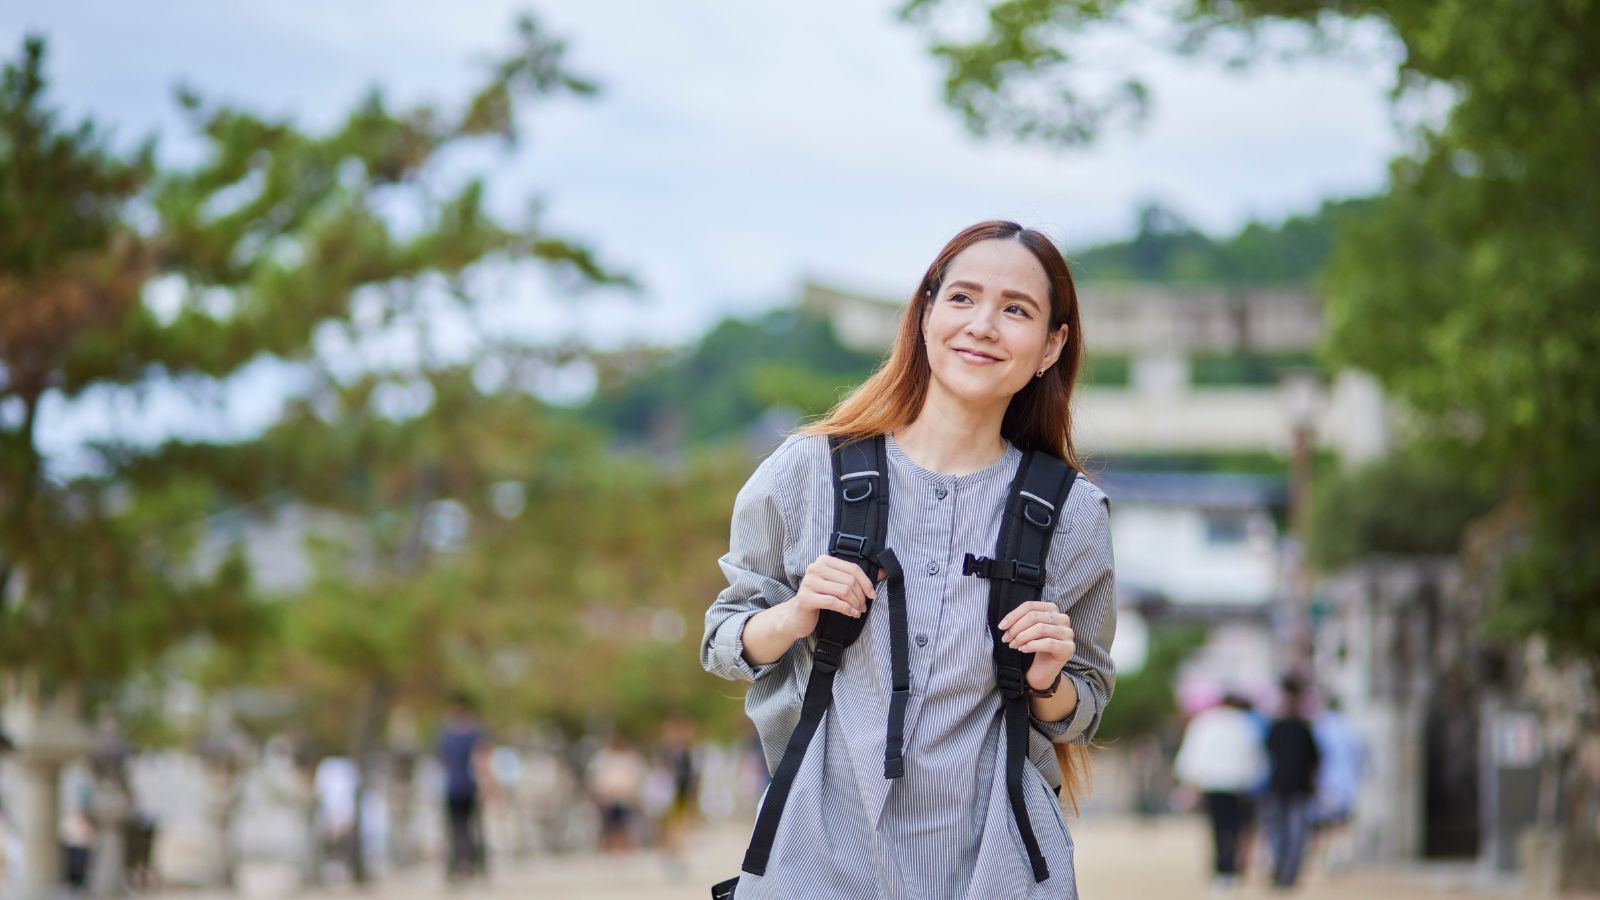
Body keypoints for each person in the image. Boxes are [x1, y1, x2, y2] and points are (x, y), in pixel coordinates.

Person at [701, 220, 1116, 899]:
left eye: (1016, 310)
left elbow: (1086, 703)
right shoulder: (809, 471)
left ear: (1050, 346)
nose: (983, 325)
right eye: (962, 299)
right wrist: (797, 613)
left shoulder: (1073, 515)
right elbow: (723, 639)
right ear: (925, 314)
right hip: (818, 859)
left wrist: (1047, 679)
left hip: (997, 870)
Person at [1173, 693, 1267, 890]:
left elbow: (1195, 751)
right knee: (1234, 826)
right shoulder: (1243, 724)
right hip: (1237, 782)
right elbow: (1254, 755)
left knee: (1218, 827)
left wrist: (1189, 778)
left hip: (1214, 782)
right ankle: (1229, 869)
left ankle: (1221, 869)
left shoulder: (1207, 721)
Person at [1262, 679, 1320, 889]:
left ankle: (1281, 870)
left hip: (1281, 785)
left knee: (1280, 830)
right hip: (1296, 786)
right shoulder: (1304, 728)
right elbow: (1315, 759)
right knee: (1293, 831)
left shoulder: (1277, 726)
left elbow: (1266, 752)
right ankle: (1288, 872)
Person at [436, 692, 490, 882]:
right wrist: (487, 785)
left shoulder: (447, 734)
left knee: (457, 828)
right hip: (467, 785)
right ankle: (470, 865)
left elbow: (443, 760)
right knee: (470, 827)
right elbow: (480, 760)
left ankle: (459, 866)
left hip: (454, 786)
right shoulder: (473, 733)